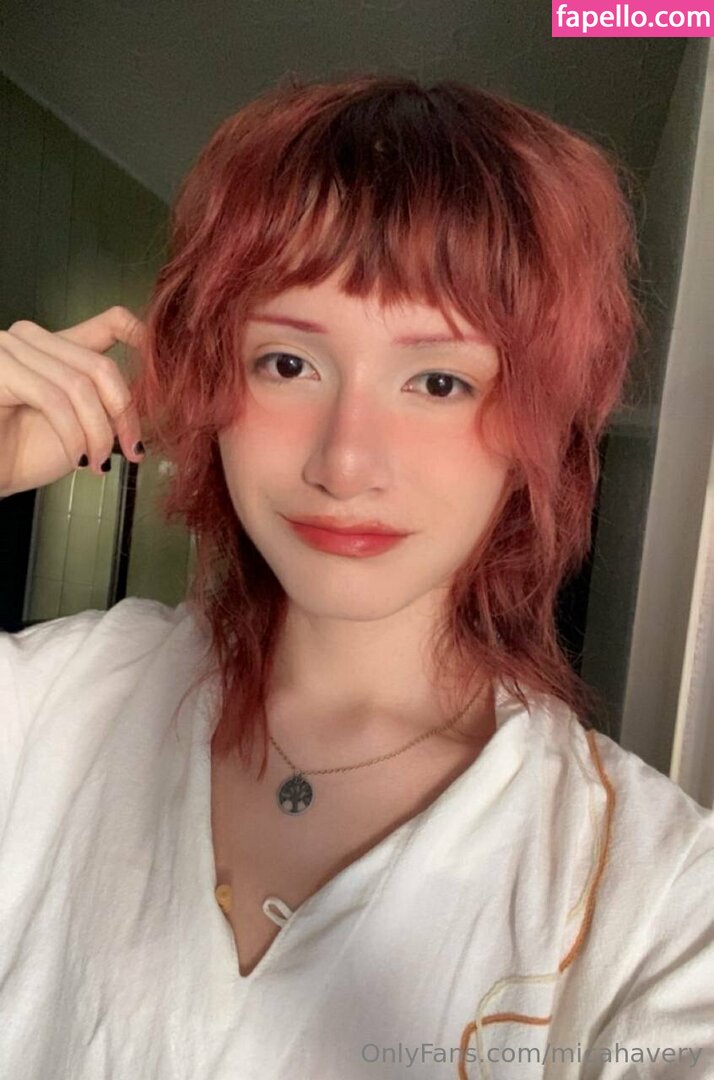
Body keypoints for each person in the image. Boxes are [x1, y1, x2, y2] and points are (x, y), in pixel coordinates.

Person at [0, 72, 711, 1080]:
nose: (345, 462)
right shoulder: (49, 710)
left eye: (438, 380)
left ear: (538, 426)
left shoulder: (654, 895)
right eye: (288, 364)